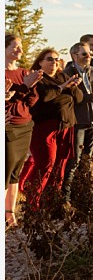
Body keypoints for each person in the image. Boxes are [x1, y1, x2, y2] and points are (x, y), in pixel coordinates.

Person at [20, 47, 83, 202]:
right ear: (40, 62)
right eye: (49, 59)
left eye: (56, 59)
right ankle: (32, 202)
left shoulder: (63, 76)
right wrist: (62, 88)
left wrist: (72, 86)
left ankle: (51, 204)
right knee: (46, 164)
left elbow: (79, 99)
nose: (54, 62)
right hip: (44, 129)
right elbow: (46, 97)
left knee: (60, 166)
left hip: (66, 126)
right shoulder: (37, 78)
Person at [63, 41, 93, 200]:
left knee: (87, 160)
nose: (89, 56)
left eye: (89, 53)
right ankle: (66, 199)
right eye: (84, 54)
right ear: (74, 55)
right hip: (78, 121)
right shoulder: (67, 73)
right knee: (73, 161)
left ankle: (81, 197)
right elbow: (71, 99)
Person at [5, 34, 41, 228]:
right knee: (5, 171)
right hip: (8, 127)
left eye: (21, 47)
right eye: (15, 46)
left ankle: (10, 215)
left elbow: (30, 102)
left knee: (15, 174)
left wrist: (32, 87)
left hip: (25, 125)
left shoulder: (23, 72)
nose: (19, 50)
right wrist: (24, 86)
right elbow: (8, 101)